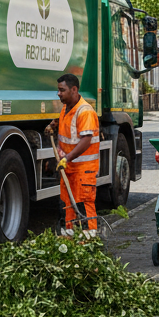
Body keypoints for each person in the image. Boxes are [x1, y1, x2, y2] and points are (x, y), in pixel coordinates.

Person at [45, 73, 100, 238]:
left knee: (83, 203)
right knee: (66, 203)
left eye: (62, 90)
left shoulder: (85, 112)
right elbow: (68, 128)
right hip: (69, 168)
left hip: (83, 169)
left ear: (74, 90)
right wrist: (54, 124)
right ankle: (68, 237)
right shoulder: (66, 108)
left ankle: (89, 239)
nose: (58, 93)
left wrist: (66, 158)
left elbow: (86, 140)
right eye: (58, 90)